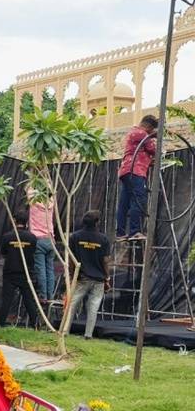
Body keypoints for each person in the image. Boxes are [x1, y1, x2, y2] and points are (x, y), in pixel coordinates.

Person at [65, 210, 112, 339]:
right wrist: (107, 278)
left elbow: (71, 258)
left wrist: (71, 274)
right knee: (93, 307)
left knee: (72, 304)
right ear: (97, 222)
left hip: (82, 277)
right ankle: (88, 334)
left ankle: (65, 331)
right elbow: (105, 260)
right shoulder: (103, 239)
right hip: (98, 279)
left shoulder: (75, 237)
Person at [116, 115, 158, 241]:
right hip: (135, 171)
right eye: (151, 129)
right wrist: (155, 136)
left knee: (124, 202)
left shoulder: (135, 133)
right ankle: (135, 231)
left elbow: (142, 152)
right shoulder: (141, 133)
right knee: (138, 200)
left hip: (127, 170)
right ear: (149, 127)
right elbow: (153, 149)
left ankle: (120, 232)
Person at [0, 209, 40, 328]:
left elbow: (3, 252)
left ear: (14, 221)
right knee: (29, 300)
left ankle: (0, 324)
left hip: (10, 272)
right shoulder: (32, 238)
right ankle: (35, 326)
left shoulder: (7, 236)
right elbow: (33, 252)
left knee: (6, 300)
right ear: (26, 222)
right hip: (26, 273)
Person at [28, 187, 57, 302]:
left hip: (38, 239)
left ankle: (43, 296)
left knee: (41, 270)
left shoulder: (34, 202)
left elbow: (29, 187)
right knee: (50, 269)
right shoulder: (51, 202)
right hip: (51, 240)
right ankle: (50, 296)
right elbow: (50, 188)